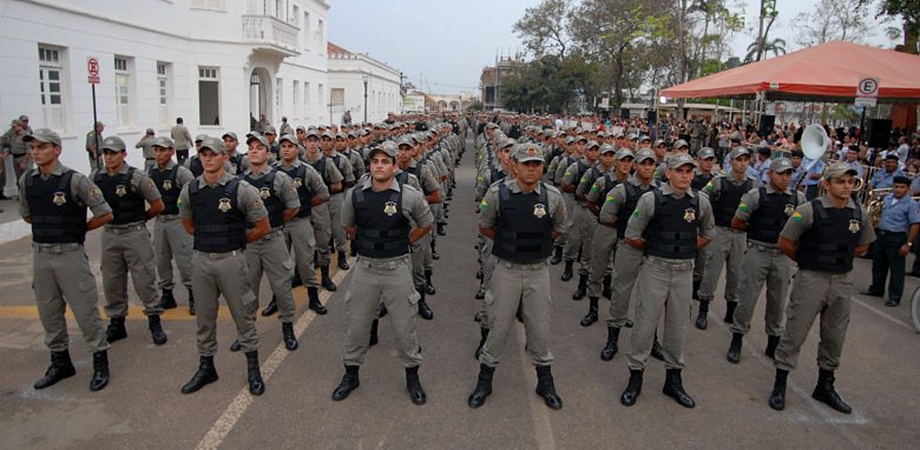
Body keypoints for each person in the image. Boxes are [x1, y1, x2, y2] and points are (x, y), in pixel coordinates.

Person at [331, 142, 433, 405]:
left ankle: (413, 376)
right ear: (370, 166)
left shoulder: (408, 195)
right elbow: (348, 226)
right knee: (357, 324)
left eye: (385, 161)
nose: (379, 165)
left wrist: (405, 241)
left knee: (404, 326)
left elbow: (426, 222)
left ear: (394, 166)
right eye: (375, 161)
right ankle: (351, 374)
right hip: (365, 268)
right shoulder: (356, 195)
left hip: (396, 268)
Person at [768, 163, 875, 414]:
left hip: (842, 281)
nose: (847, 186)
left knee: (835, 335)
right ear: (827, 184)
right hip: (812, 278)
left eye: (850, 182)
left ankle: (825, 385)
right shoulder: (807, 211)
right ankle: (780, 382)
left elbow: (862, 246)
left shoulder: (859, 213)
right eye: (841, 181)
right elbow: (785, 242)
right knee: (795, 330)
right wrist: (809, 262)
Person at [468, 143, 566, 411]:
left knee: (539, 327)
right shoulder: (497, 193)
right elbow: (486, 226)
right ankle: (484, 380)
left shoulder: (553, 197)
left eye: (536, 164)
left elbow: (558, 229)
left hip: (538, 271)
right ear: (514, 165)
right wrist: (511, 244)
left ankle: (545, 381)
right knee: (498, 325)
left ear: (542, 167)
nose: (532, 169)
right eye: (526, 163)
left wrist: (532, 246)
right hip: (507, 270)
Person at [19, 128, 113, 392]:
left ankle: (100, 360)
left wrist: (77, 229)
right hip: (41, 254)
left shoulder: (75, 180)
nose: (36, 152)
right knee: (49, 311)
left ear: (57, 149)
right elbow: (28, 215)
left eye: (42, 147)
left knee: (84, 309)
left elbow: (105, 213)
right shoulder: (27, 181)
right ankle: (60, 362)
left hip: (69, 255)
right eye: (33, 147)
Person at [619, 153, 715, 408]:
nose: (685, 176)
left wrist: (685, 249)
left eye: (689, 171)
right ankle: (635, 377)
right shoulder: (651, 200)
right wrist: (657, 249)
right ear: (668, 173)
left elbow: (708, 233)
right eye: (679, 171)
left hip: (684, 272)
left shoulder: (700, 202)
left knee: (677, 328)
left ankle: (673, 380)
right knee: (644, 324)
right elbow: (632, 234)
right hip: (656, 269)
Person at [178, 137, 270, 396]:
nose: (207, 158)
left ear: (224, 157)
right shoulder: (191, 190)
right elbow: (188, 224)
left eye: (213, 154)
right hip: (202, 261)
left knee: (243, 315)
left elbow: (263, 226)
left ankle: (253, 368)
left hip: (231, 260)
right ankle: (207, 367)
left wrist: (236, 241)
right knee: (205, 318)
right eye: (203, 153)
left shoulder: (240, 189)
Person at [726, 158, 805, 363]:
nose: (785, 178)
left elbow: (802, 226)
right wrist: (755, 233)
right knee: (747, 298)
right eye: (781, 174)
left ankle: (773, 341)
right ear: (770, 174)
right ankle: (737, 339)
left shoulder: (798, 199)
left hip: (782, 256)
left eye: (788, 174)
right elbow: (737, 221)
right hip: (757, 252)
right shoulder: (755, 196)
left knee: (778, 301)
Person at [94, 136, 167, 346]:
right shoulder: (96, 177)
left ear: (123, 154)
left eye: (113, 153)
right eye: (106, 153)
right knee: (112, 280)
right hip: (109, 234)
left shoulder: (137, 177)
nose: (108, 157)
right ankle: (117, 323)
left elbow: (157, 205)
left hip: (134, 233)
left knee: (144, 279)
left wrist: (140, 220)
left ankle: (154, 320)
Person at [597, 148, 660, 361]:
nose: (648, 167)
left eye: (651, 164)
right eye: (644, 163)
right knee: (621, 291)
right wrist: (627, 229)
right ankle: (612, 338)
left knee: (653, 297)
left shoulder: (661, 191)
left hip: (652, 251)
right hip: (629, 248)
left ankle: (653, 339)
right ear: (636, 166)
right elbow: (605, 216)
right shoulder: (622, 190)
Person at [696, 147, 759, 330]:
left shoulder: (753, 184)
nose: (742, 163)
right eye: (738, 160)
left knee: (736, 273)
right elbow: (702, 198)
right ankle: (703, 309)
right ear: (731, 162)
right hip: (720, 231)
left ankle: (731, 309)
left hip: (740, 235)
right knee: (712, 271)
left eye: (745, 160)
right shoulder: (719, 181)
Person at [276, 134, 330, 316]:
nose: (286, 149)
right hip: (280, 224)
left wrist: (303, 205)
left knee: (305, 261)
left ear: (297, 149)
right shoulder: (273, 171)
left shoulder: (306, 171)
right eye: (282, 145)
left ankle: (313, 297)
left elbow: (323, 193)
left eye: (290, 146)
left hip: (300, 222)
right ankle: (276, 299)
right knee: (279, 264)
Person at [580, 146, 631, 324]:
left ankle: (619, 313)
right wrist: (604, 218)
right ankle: (593, 309)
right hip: (606, 229)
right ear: (616, 163)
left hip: (625, 233)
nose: (626, 165)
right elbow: (591, 202)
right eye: (622, 160)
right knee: (598, 268)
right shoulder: (603, 181)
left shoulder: (634, 185)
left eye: (629, 161)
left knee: (622, 275)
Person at [149, 136, 196, 315]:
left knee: (185, 259)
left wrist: (189, 218)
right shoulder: (151, 172)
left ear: (171, 151)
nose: (158, 154)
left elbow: (193, 194)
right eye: (156, 150)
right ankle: (167, 294)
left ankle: (193, 295)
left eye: (162, 150)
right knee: (161, 259)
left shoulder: (180, 172)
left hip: (178, 220)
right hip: (160, 221)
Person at [860, 176, 919, 307]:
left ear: (908, 189)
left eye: (902, 187)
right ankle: (876, 288)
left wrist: (908, 244)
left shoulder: (911, 204)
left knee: (896, 269)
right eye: (896, 186)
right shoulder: (887, 199)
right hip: (882, 235)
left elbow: (915, 224)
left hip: (897, 237)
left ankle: (895, 296)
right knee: (878, 264)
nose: (898, 190)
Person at [304, 128, 344, 291]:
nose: (313, 144)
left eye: (315, 140)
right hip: (303, 209)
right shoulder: (300, 162)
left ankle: (325, 276)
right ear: (304, 143)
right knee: (305, 243)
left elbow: (338, 184)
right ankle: (304, 276)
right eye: (309, 140)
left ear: (319, 143)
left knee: (323, 241)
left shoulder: (326, 162)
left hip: (320, 206)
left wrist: (321, 192)